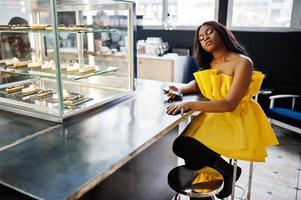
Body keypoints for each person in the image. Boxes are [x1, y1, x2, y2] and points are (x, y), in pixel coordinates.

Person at [165, 21, 279, 199]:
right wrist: (180, 90)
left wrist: (189, 104)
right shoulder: (211, 62)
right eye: (201, 38)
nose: (205, 38)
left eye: (209, 33)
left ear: (222, 33)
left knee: (191, 150)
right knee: (181, 145)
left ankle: (211, 186)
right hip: (215, 116)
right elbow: (199, 83)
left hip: (237, 118)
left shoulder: (243, 62)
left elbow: (229, 103)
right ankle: (224, 174)